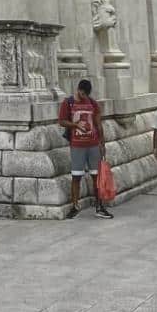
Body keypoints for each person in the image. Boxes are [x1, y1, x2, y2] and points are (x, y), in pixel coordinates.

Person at [58, 79, 113, 220]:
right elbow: (62, 121)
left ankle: (99, 206)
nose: (84, 97)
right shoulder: (68, 103)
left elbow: (98, 124)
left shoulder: (93, 103)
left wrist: (102, 144)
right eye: (82, 94)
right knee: (76, 176)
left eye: (86, 95)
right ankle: (75, 206)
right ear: (78, 90)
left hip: (93, 145)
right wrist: (75, 126)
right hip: (77, 146)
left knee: (96, 176)